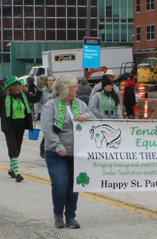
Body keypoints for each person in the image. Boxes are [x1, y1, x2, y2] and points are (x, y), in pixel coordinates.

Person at [41, 74, 94, 228]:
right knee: (60, 183)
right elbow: (47, 129)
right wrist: (58, 146)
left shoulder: (80, 104)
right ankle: (58, 214)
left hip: (76, 152)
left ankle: (70, 216)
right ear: (65, 88)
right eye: (75, 86)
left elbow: (92, 116)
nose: (77, 89)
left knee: (73, 185)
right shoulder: (51, 106)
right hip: (56, 153)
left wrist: (85, 116)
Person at [0, 76, 43, 182]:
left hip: (21, 125)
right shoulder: (3, 97)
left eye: (21, 85)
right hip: (9, 126)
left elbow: (36, 99)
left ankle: (11, 169)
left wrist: (40, 88)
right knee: (12, 148)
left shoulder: (23, 95)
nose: (20, 87)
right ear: (12, 87)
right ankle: (18, 173)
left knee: (17, 149)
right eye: (18, 85)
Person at [34, 75, 54, 158]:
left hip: (54, 114)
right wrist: (36, 114)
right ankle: (42, 149)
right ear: (46, 82)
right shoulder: (42, 91)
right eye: (49, 80)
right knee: (47, 131)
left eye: (52, 80)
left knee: (52, 132)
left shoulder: (56, 91)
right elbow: (38, 103)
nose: (51, 82)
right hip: (45, 114)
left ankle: (50, 150)